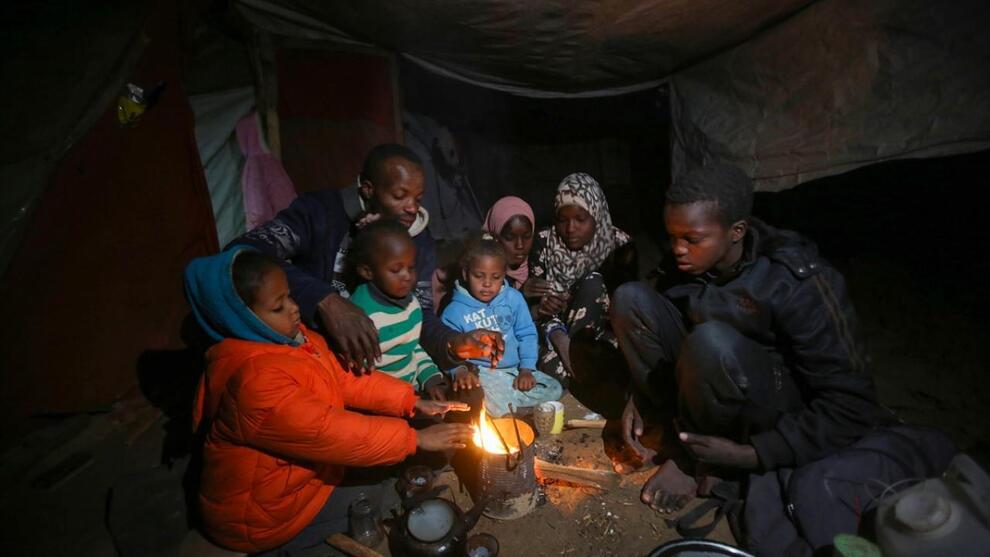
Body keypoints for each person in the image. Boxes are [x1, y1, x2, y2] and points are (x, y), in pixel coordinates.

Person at [610, 163, 895, 515]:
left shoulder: (795, 282)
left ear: (736, 231)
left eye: (691, 239)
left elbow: (852, 406)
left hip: (768, 400)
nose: (678, 248)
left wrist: (753, 454)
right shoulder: (687, 263)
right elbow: (654, 331)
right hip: (711, 376)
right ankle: (676, 431)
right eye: (672, 237)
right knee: (630, 299)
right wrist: (638, 391)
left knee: (710, 342)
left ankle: (701, 459)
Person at [183, 247, 473, 556]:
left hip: (295, 479)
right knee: (391, 489)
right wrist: (414, 438)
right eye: (279, 306)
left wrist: (411, 401)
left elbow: (344, 379)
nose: (295, 309)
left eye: (290, 297)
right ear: (241, 317)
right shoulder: (254, 384)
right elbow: (331, 432)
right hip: (261, 517)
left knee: (402, 468)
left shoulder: (291, 342)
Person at [232, 143, 504, 376]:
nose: (412, 208)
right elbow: (245, 250)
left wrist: (453, 343)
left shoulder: (419, 241)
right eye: (399, 196)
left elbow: (419, 314)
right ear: (368, 190)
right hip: (311, 355)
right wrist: (326, 300)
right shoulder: (321, 213)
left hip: (378, 369)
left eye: (418, 198)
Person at [529, 172, 638, 384]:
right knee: (551, 365)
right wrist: (545, 308)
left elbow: (627, 309)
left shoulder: (620, 246)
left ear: (596, 215)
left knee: (593, 283)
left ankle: (580, 365)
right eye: (562, 220)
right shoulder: (544, 243)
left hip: (602, 335)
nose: (570, 229)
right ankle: (578, 367)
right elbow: (537, 310)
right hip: (554, 332)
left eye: (581, 219)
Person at [440, 235, 563, 416]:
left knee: (554, 389)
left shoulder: (513, 298)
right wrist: (459, 371)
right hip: (484, 374)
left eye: (495, 277)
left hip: (515, 370)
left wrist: (527, 369)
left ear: (504, 275)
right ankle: (513, 413)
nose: (487, 284)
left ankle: (516, 410)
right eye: (479, 276)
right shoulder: (453, 311)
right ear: (466, 273)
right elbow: (446, 353)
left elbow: (527, 334)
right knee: (485, 400)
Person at [347, 219, 447, 400]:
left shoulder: (411, 302)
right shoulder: (360, 319)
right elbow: (359, 381)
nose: (407, 276)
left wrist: (430, 379)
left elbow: (410, 347)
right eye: (396, 270)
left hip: (412, 393)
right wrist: (405, 402)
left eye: (411, 267)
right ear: (367, 271)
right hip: (381, 404)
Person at [431, 195, 537, 313]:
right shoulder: (473, 269)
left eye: (527, 237)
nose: (520, 245)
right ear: (495, 235)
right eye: (509, 237)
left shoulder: (538, 266)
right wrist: (520, 294)